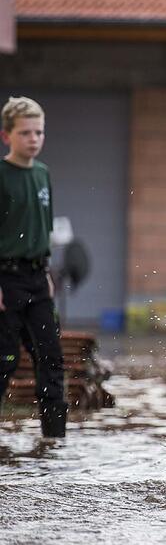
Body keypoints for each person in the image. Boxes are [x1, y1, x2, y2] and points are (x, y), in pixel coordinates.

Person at [0, 96, 66, 438]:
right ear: (6, 135)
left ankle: (54, 440)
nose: (34, 139)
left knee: (51, 360)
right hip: (5, 279)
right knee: (5, 360)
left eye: (39, 132)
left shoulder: (43, 174)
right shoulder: (3, 175)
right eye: (25, 132)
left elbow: (44, 228)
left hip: (37, 278)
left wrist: (46, 273)